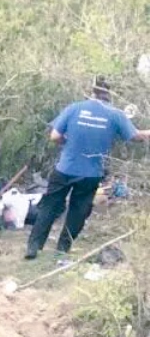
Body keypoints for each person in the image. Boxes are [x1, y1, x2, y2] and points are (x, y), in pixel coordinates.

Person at [25, 77, 150, 259]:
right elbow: (136, 136)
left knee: (49, 207)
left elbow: (54, 136)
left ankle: (33, 247)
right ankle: (62, 250)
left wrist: (67, 143)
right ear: (109, 93)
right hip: (91, 173)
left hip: (65, 168)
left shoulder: (74, 108)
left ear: (91, 91)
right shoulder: (115, 114)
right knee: (78, 211)